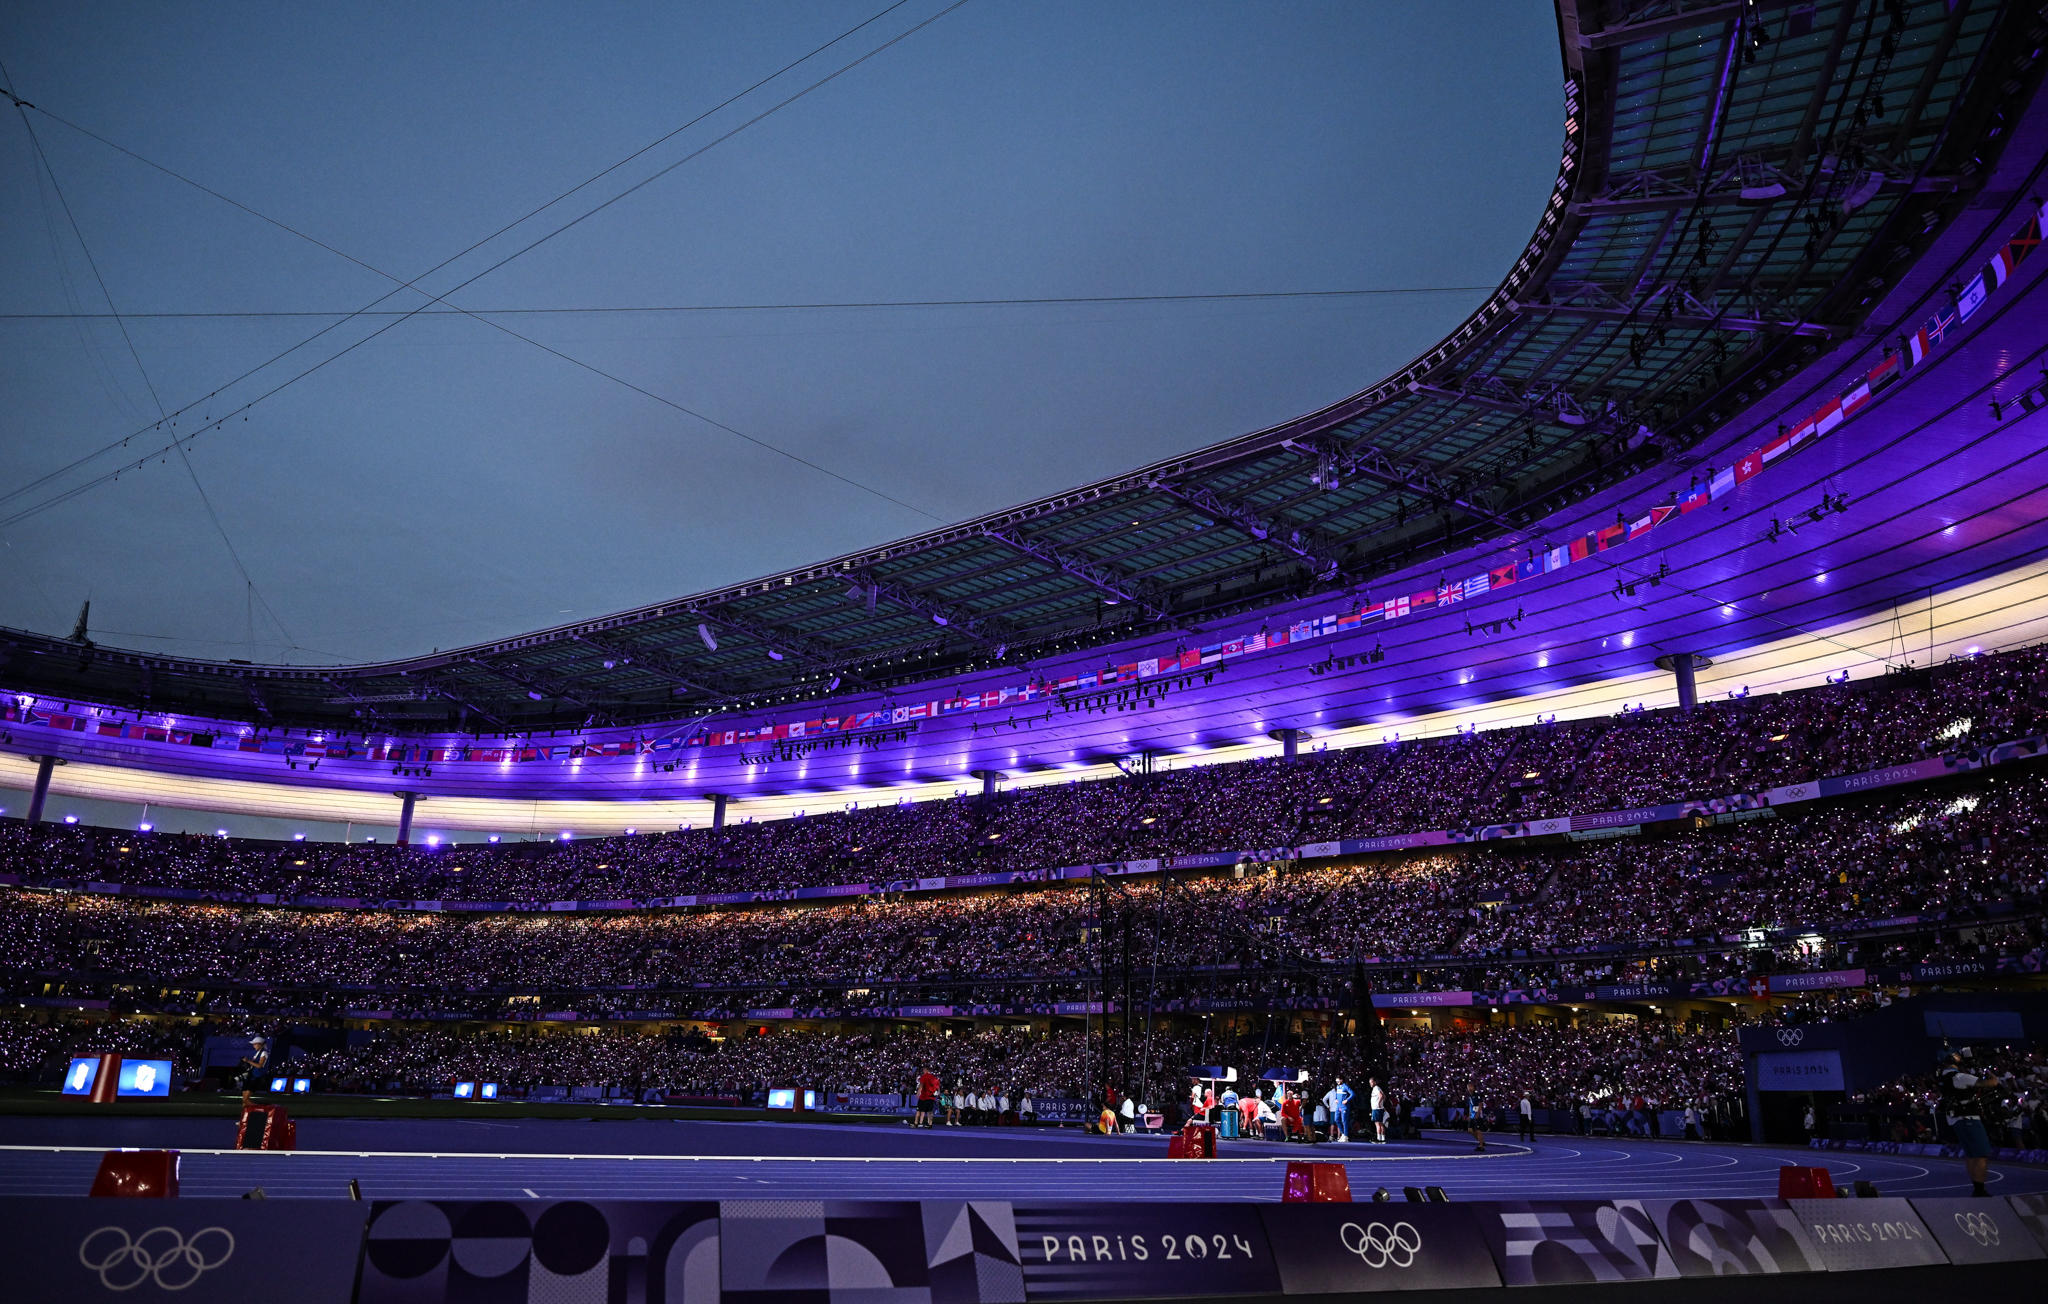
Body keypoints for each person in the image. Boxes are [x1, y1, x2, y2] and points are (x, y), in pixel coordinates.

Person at [1939, 1049, 1998, 1197]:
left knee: (1971, 1155)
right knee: (1981, 1154)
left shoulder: (1943, 1077)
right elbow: (1989, 1084)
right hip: (1968, 1119)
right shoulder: (1960, 1077)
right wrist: (1992, 1076)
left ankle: (1977, 1188)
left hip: (1957, 1120)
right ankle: (1980, 1190)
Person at [235, 1035, 271, 1109]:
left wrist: (248, 1061)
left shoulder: (264, 1053)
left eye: (255, 1044)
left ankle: (260, 1108)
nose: (253, 1046)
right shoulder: (257, 1053)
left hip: (256, 1076)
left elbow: (259, 1066)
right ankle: (245, 1117)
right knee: (244, 1100)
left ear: (260, 1044)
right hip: (252, 1075)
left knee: (246, 1100)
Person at [1466, 1087, 1487, 1153]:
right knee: (1470, 1130)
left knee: (1478, 1130)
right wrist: (1469, 1115)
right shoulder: (1469, 1096)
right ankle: (1481, 1141)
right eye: (1468, 1087)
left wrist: (1477, 1114)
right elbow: (1470, 1106)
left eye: (1470, 1087)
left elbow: (1480, 1105)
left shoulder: (1477, 1095)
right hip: (1472, 1114)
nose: (1469, 1088)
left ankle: (1481, 1146)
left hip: (1476, 1114)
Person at [1369, 1077, 1387, 1143]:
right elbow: (1384, 1096)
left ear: (1375, 1082)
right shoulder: (1377, 1088)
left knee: (1377, 1124)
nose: (1370, 1084)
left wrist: (1379, 1103)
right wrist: (1382, 1104)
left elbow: (1381, 1095)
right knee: (1381, 1124)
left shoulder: (1376, 1088)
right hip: (1379, 1108)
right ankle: (1383, 1139)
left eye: (1371, 1082)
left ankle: (1378, 1139)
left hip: (1377, 1109)